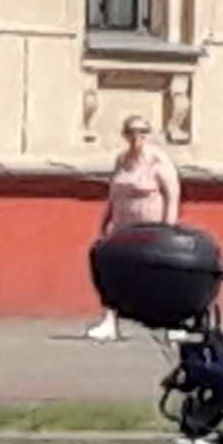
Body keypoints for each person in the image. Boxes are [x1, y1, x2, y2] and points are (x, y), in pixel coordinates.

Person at [87, 115, 182, 341]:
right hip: (122, 226)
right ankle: (110, 321)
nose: (136, 137)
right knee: (113, 271)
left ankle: (173, 323)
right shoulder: (122, 160)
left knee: (158, 275)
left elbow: (172, 195)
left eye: (142, 132)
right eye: (131, 131)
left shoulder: (158, 161)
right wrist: (106, 220)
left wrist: (168, 228)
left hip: (151, 227)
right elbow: (114, 194)